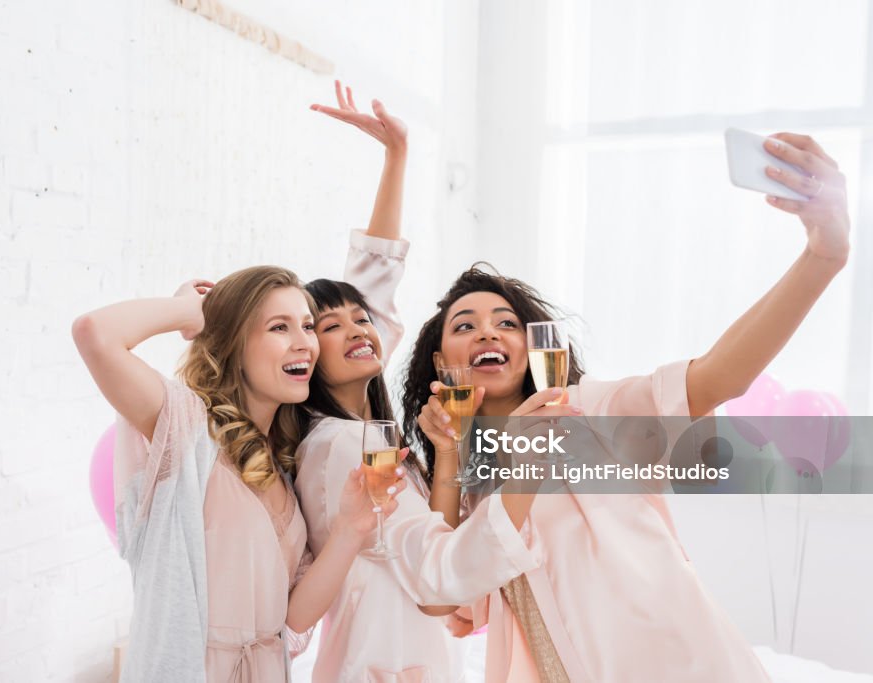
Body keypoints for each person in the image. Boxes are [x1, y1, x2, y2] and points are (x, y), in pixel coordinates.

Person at [400, 133, 850, 682]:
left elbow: (717, 377)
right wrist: (449, 453)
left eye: (507, 322)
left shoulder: (592, 412)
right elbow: (439, 597)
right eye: (464, 325)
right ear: (440, 361)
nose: (487, 331)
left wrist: (822, 258)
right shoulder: (463, 479)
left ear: (534, 347)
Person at [292, 83, 546, 682]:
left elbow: (370, 287)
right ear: (305, 354)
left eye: (363, 320)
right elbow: (435, 571)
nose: (361, 329)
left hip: (409, 651)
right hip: (383, 662)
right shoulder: (339, 445)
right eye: (330, 326)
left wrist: (397, 157)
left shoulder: (373, 433)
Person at [72, 272, 406, 678]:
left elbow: (294, 618)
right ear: (234, 343)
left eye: (306, 326)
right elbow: (94, 333)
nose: (304, 342)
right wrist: (188, 312)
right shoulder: (188, 430)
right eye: (279, 327)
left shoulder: (282, 468)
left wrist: (352, 528)